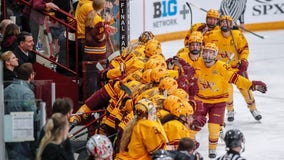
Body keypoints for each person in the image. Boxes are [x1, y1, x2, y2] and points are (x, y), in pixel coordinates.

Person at [193, 42, 267, 158]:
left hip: (218, 102)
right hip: (200, 101)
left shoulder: (222, 67)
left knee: (214, 128)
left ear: (215, 55)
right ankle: (189, 148)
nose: (207, 55)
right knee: (193, 125)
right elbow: (185, 76)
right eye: (206, 52)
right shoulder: (196, 64)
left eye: (211, 53)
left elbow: (236, 79)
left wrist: (251, 85)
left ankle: (212, 149)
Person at [204, 15, 262, 122]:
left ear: (231, 25)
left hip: (237, 67)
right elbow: (203, 45)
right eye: (222, 22)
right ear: (219, 24)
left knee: (245, 89)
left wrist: (244, 60)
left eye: (227, 23)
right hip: (222, 69)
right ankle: (230, 110)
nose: (224, 24)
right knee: (227, 91)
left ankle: (253, 109)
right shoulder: (212, 35)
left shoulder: (237, 35)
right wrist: (201, 32)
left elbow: (244, 49)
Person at [4, 62, 40, 160]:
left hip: (8, 132)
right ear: (31, 75)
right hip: (23, 135)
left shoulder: (7, 89)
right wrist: (41, 112)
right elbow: (34, 117)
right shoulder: (27, 93)